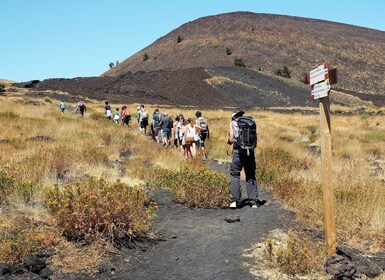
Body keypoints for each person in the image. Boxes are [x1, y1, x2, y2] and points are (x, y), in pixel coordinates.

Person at [227, 110, 258, 209]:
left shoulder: (233, 123)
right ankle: (253, 201)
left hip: (238, 153)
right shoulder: (250, 122)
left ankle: (234, 201)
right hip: (250, 152)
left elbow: (231, 139)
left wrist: (229, 142)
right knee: (250, 175)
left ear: (233, 117)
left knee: (235, 175)